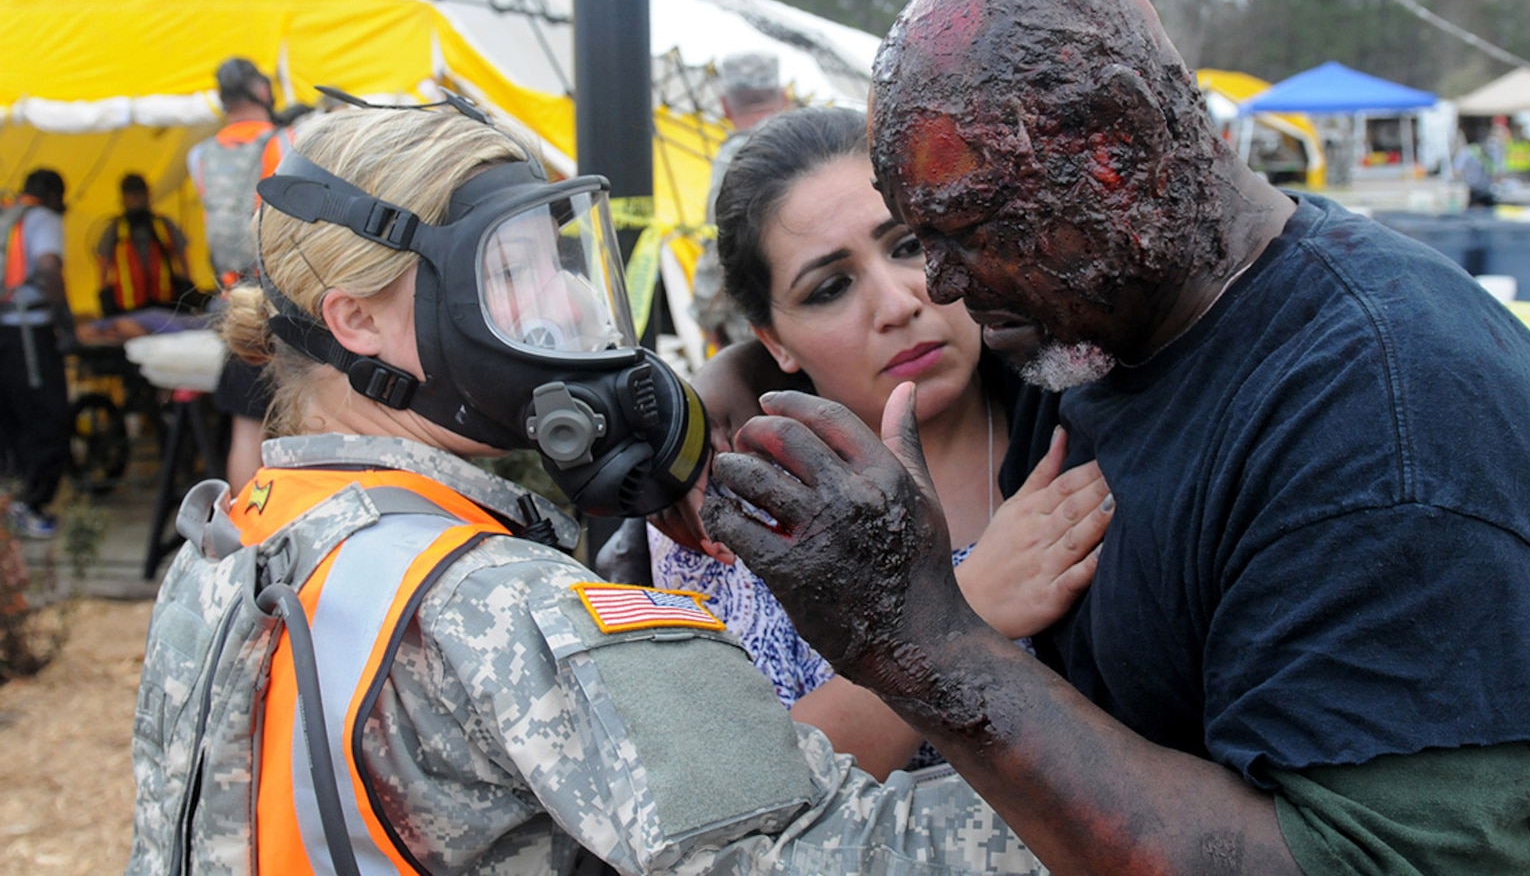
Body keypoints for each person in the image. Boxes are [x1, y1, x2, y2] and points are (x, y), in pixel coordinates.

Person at [702, 0, 1530, 875]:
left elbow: (1356, 861)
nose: (934, 285)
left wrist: (926, 636)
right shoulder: (1098, 318)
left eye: (966, 230)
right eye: (922, 235)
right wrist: (726, 392)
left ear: (1119, 150)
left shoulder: (1389, 420)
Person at [126, 95, 1053, 875]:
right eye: (512, 271)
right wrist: (1153, 823)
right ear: (358, 321)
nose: (567, 308)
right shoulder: (508, 610)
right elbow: (818, 851)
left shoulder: (224, 548)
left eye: (557, 261)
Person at [649, 106, 1112, 778]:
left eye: (907, 246)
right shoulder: (727, 514)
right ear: (772, 340)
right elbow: (734, 786)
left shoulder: (1081, 411)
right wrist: (960, 615)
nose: (897, 304)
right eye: (830, 287)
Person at [186, 57, 287, 492]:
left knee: (246, 426)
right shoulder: (284, 143)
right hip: (281, 300)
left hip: (233, 302)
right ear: (262, 92)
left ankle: (245, 533)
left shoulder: (200, 156)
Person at [690, 50, 792, 349]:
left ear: (724, 105)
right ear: (784, 97)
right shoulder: (814, 140)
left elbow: (717, 246)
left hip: (761, 326)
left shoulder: (734, 157)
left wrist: (708, 317)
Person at [0, 169, 72, 540]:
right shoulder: (42, 218)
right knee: (46, 416)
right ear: (50, 193)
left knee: (9, 419)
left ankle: (9, 502)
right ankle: (32, 504)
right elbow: (47, 267)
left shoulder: (6, 216)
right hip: (30, 334)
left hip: (4, 329)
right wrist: (66, 319)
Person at [94, 172, 194, 316]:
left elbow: (182, 255)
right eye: (132, 196)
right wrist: (103, 293)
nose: (136, 200)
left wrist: (187, 284)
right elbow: (103, 263)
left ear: (148, 195)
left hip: (165, 300)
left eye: (140, 195)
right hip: (128, 304)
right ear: (123, 198)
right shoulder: (115, 229)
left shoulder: (163, 224)